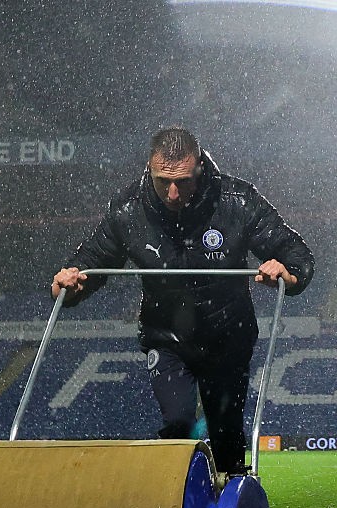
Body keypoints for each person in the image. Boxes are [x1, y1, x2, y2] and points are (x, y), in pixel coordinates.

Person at [51, 127, 314, 477]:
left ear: (200, 169)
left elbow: (298, 256)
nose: (173, 193)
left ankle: (233, 504)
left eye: (184, 182)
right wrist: (64, 285)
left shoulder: (236, 200)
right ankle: (176, 501)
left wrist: (287, 272)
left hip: (228, 336)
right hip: (167, 337)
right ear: (150, 169)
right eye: (163, 182)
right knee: (177, 422)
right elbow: (86, 268)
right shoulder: (128, 209)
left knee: (225, 435)